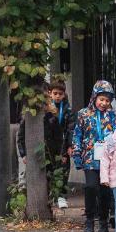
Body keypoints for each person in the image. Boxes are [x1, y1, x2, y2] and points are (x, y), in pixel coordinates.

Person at [73, 80, 116, 232]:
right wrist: (77, 154)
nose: (104, 103)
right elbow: (77, 135)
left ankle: (104, 220)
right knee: (91, 187)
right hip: (90, 158)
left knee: (105, 191)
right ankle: (90, 220)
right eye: (101, 99)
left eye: (107, 100)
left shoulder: (113, 116)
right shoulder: (83, 114)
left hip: (107, 159)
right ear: (94, 97)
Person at [18, 86, 69, 207]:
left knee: (51, 177)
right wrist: (23, 154)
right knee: (35, 177)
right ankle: (36, 201)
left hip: (51, 154)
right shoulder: (28, 118)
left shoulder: (52, 118)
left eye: (44, 104)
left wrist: (61, 154)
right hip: (34, 154)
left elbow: (59, 138)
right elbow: (21, 137)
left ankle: (51, 200)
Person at [49, 79, 74, 209]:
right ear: (50, 93)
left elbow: (71, 129)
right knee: (50, 170)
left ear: (64, 94)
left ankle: (62, 196)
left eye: (60, 94)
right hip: (49, 144)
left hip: (63, 144)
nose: (57, 96)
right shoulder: (47, 108)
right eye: (55, 93)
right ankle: (52, 195)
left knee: (64, 170)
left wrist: (70, 145)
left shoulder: (68, 110)